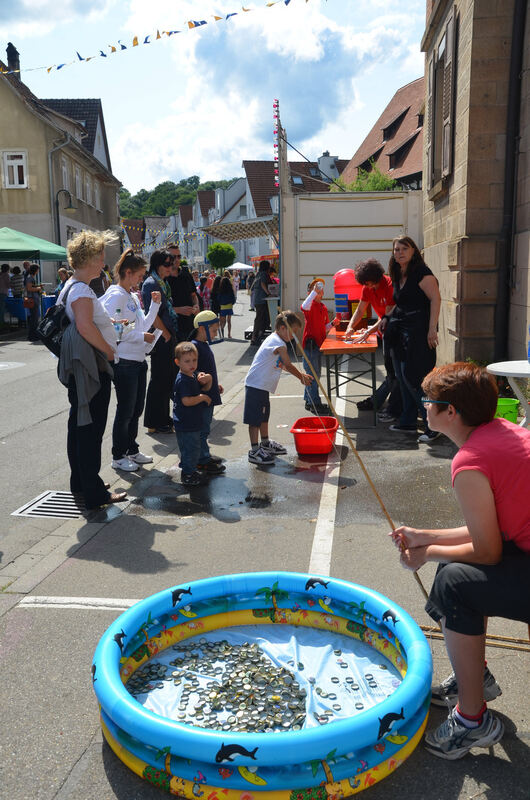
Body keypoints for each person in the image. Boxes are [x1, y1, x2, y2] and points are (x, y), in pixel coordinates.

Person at [390, 362, 530, 759]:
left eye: (427, 401)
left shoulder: (469, 462)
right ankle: (475, 677)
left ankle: (472, 720)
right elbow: (496, 530)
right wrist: (425, 537)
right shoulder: (503, 433)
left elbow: (488, 551)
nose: (422, 406)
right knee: (453, 570)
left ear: (450, 412)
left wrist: (426, 552)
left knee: (454, 582)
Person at [57, 229, 126, 510]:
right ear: (90, 258)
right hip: (91, 367)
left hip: (83, 367)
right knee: (90, 428)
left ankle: (83, 483)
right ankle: (94, 492)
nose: (104, 262)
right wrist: (109, 351)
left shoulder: (73, 285)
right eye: (100, 256)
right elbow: (85, 326)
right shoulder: (82, 288)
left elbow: (85, 322)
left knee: (80, 426)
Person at [101, 249, 161, 472]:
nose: (141, 279)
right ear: (128, 272)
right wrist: (140, 336)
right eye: (139, 275)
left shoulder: (132, 296)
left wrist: (155, 305)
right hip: (125, 361)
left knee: (135, 409)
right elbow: (113, 331)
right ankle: (118, 455)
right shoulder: (116, 295)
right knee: (125, 410)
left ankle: (131, 449)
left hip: (137, 360)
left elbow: (142, 325)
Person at [385, 236, 441, 442]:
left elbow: (436, 299)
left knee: (415, 379)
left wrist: (432, 329)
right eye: (396, 249)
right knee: (401, 377)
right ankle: (408, 421)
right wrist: (385, 319)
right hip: (400, 333)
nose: (399, 252)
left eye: (404, 248)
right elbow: (399, 304)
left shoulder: (422, 273)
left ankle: (433, 425)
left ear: (413, 251)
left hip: (418, 333)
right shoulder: (397, 273)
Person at [244, 310, 313, 465]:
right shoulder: (278, 343)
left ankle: (266, 443)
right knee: (254, 419)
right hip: (255, 385)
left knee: (263, 415)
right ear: (282, 328)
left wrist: (301, 375)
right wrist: (301, 377)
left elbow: (283, 365)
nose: (294, 335)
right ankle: (254, 451)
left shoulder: (277, 341)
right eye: (293, 331)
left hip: (262, 386)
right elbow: (288, 364)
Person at [345, 259, 402, 422]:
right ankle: (378, 402)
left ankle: (391, 408)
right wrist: (351, 326)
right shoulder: (367, 288)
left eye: (369, 283)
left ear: (376, 277)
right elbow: (361, 309)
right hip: (384, 334)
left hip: (396, 333)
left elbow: (387, 315)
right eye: (365, 284)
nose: (367, 287)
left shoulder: (391, 286)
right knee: (391, 374)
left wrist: (369, 331)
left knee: (396, 375)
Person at [142, 250, 179, 434]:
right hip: (160, 337)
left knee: (166, 379)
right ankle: (154, 421)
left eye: (171, 263)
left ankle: (162, 418)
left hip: (166, 335)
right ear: (157, 265)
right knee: (159, 379)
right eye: (167, 264)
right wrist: (165, 334)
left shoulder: (161, 283)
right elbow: (152, 313)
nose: (170, 267)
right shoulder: (151, 284)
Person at [173, 341, 212, 486]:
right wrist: (202, 397)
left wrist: (207, 379)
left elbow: (204, 385)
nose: (192, 364)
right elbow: (186, 401)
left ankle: (190, 470)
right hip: (185, 422)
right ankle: (188, 474)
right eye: (187, 361)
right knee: (191, 448)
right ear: (178, 362)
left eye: (194, 360)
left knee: (192, 448)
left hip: (191, 421)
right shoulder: (183, 380)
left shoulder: (191, 375)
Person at [191, 311, 226, 475]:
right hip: (202, 396)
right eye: (213, 330)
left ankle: (204, 455)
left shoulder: (203, 345)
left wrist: (214, 385)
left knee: (204, 428)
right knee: (201, 429)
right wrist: (199, 376)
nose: (215, 333)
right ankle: (201, 460)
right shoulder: (195, 347)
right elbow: (192, 370)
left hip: (209, 393)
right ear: (202, 328)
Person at [300, 278, 333, 414]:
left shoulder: (322, 307)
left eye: (320, 289)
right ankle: (314, 403)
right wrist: (313, 293)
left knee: (314, 374)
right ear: (311, 292)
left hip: (318, 345)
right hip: (311, 345)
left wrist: (333, 324)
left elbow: (324, 327)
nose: (319, 291)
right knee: (313, 374)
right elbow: (303, 306)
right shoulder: (310, 305)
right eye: (315, 289)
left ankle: (309, 400)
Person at [166, 246, 199, 342]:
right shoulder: (163, 279)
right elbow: (160, 308)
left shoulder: (186, 274)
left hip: (190, 325)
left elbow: (194, 295)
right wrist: (178, 310)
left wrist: (196, 305)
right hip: (173, 328)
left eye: (179, 256)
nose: (177, 259)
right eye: (173, 257)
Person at [250, 261, 273, 346]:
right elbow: (263, 284)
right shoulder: (263, 274)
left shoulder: (258, 274)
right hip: (262, 299)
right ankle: (255, 337)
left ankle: (256, 336)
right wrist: (268, 293)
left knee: (260, 318)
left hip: (257, 299)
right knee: (260, 318)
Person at [25, 264, 43, 341]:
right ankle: (32, 336)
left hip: (34, 300)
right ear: (35, 270)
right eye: (38, 269)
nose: (38, 271)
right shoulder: (30, 278)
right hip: (32, 300)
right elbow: (29, 288)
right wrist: (39, 288)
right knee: (34, 319)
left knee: (34, 318)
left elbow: (31, 287)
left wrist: (38, 286)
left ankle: (33, 335)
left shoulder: (30, 278)